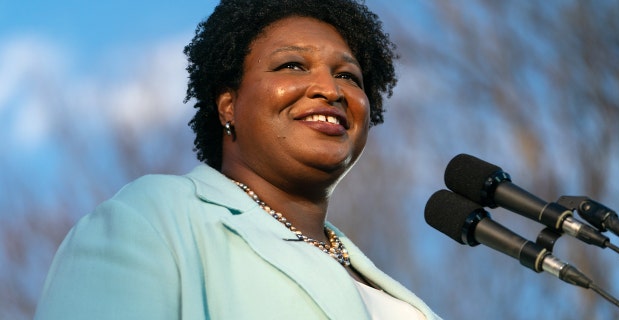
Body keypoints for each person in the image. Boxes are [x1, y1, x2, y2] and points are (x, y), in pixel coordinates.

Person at [35, 0, 441, 319]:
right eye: (292, 65)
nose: (329, 89)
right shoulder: (155, 218)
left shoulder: (387, 287)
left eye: (348, 76)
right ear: (228, 106)